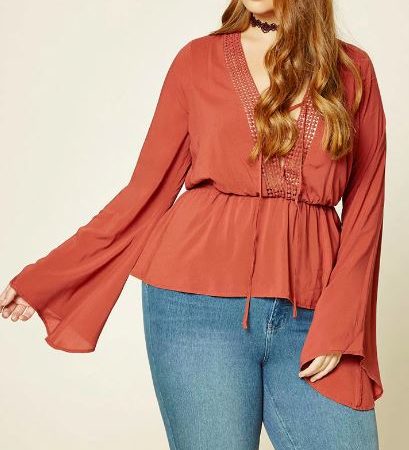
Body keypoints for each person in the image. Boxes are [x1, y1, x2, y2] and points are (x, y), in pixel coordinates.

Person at [1, 1, 386, 449]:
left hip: (314, 311)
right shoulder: (197, 62)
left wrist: (342, 323)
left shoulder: (353, 71)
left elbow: (366, 211)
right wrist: (51, 276)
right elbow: (144, 194)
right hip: (195, 311)